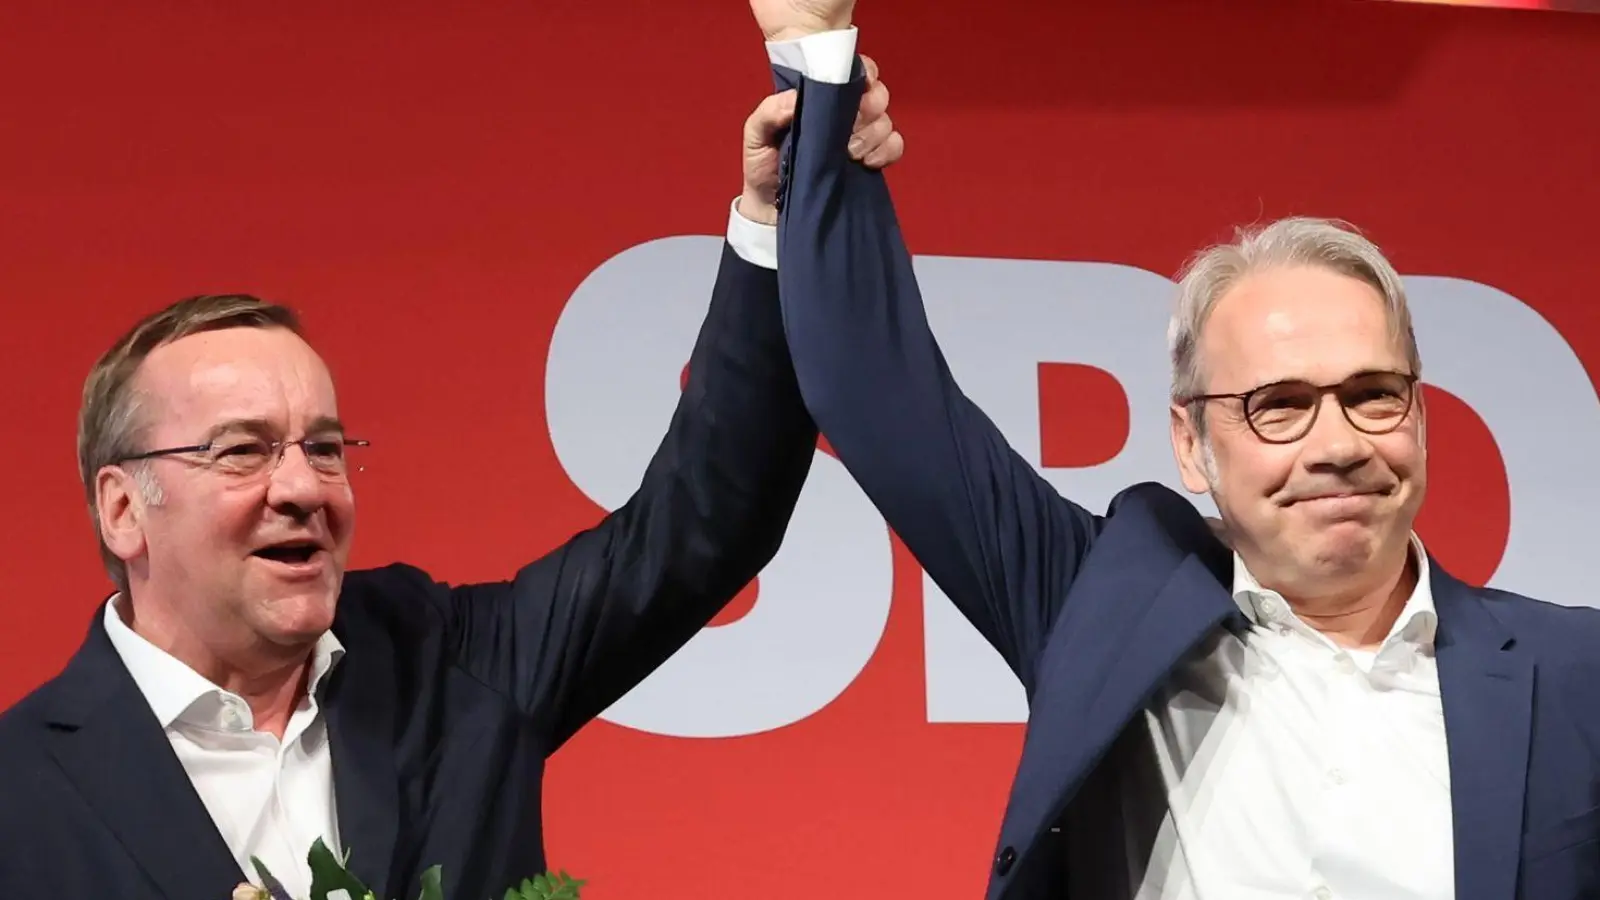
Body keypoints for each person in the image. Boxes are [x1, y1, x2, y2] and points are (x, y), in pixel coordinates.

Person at [0, 31, 905, 900]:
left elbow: (703, 522)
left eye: (324, 448)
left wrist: (788, 211)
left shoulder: (440, 665)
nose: (304, 488)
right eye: (242, 452)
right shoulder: (23, 794)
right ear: (124, 509)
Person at [751, 10, 1600, 900]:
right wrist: (815, 61)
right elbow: (879, 394)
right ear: (1191, 445)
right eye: (1280, 407)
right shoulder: (1106, 612)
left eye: (1372, 395)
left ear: (1419, 417)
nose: (1341, 445)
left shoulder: (1572, 672)